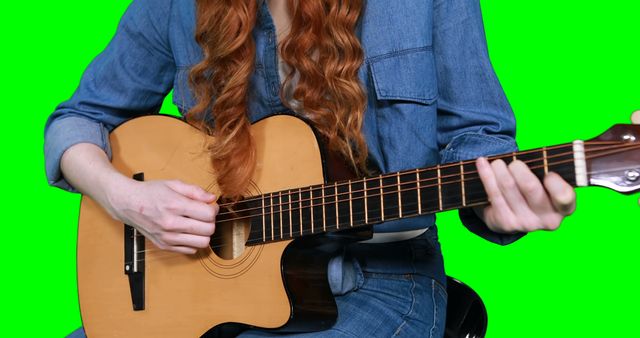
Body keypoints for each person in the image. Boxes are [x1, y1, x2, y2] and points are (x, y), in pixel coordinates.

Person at [46, 0, 585, 337]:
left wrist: (499, 202)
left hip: (379, 284)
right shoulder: (174, 4)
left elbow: (474, 139)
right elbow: (77, 120)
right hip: (187, 289)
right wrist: (125, 198)